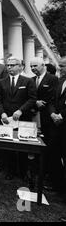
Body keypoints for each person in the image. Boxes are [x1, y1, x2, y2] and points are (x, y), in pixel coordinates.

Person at [0, 57, 37, 181]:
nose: (9, 68)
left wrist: (21, 110)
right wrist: (2, 113)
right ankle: (10, 170)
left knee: (23, 146)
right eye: (8, 65)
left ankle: (23, 172)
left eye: (12, 65)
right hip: (6, 119)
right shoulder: (1, 82)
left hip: (23, 119)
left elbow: (32, 99)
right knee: (8, 145)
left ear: (20, 67)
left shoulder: (28, 81)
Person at [30, 57, 61, 191]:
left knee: (48, 147)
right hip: (34, 116)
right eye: (31, 66)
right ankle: (36, 172)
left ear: (43, 65)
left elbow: (52, 97)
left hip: (48, 119)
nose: (33, 68)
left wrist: (40, 103)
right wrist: (35, 102)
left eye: (35, 66)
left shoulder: (52, 79)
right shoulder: (32, 80)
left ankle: (49, 176)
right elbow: (30, 96)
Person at [49, 57, 66, 200]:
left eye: (62, 66)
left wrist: (62, 116)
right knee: (54, 155)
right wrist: (53, 113)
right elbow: (52, 100)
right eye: (59, 66)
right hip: (56, 126)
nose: (60, 68)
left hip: (63, 123)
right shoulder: (59, 81)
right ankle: (59, 186)